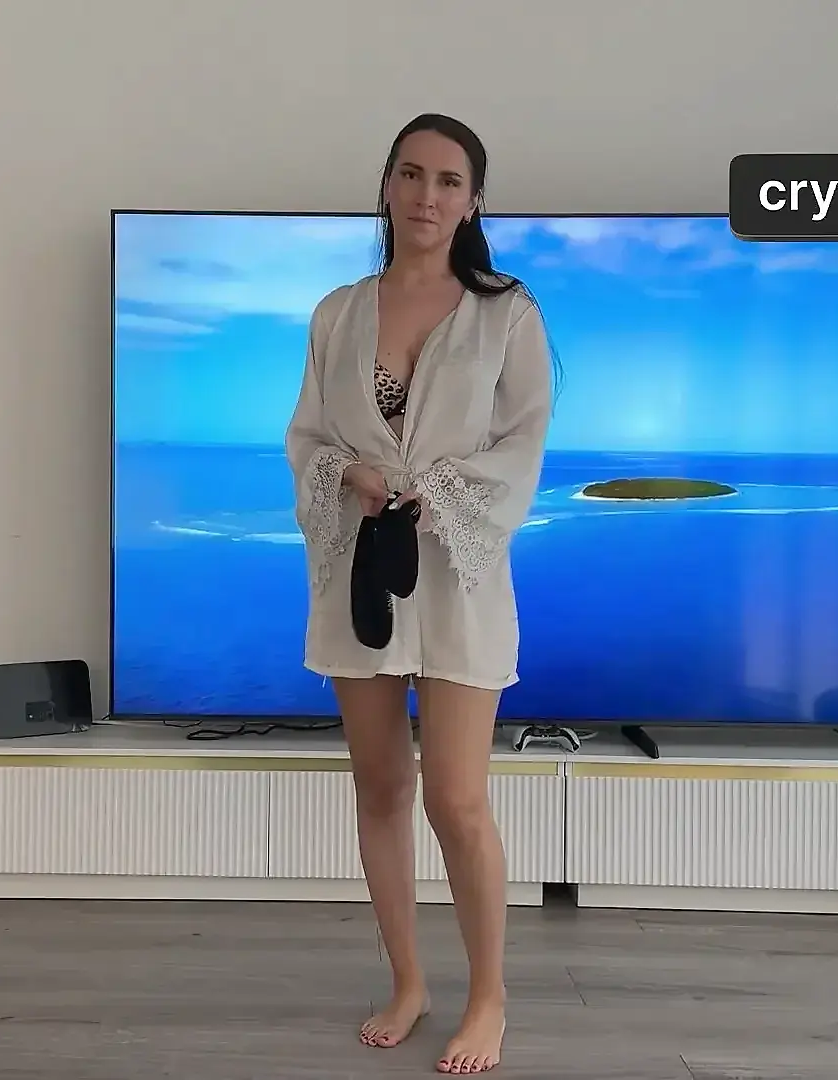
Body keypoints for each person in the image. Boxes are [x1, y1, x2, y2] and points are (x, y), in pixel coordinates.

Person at [284, 112, 554, 1075]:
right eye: (411, 174)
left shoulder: (507, 313)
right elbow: (307, 438)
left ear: (472, 201)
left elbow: (523, 444)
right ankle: (408, 982)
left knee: (457, 799)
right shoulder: (338, 312)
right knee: (381, 787)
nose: (427, 195)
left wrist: (437, 496)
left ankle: (489, 998)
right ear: (389, 186)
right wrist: (348, 475)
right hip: (360, 570)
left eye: (448, 181)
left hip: (460, 577)